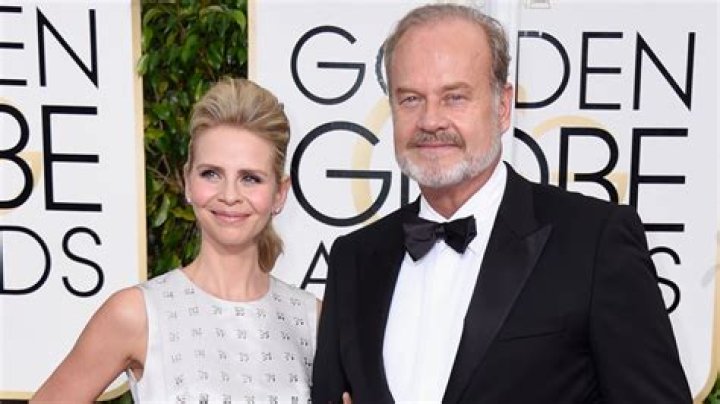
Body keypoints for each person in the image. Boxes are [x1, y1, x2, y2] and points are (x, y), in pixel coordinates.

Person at [312, 4, 692, 403]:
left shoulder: (594, 242)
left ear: (502, 105)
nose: (430, 120)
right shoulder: (354, 259)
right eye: (410, 99)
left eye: (454, 97)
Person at [32, 78, 320, 403]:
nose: (229, 195)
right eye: (211, 174)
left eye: (250, 178)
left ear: (279, 193)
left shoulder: (312, 320)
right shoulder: (137, 313)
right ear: (187, 182)